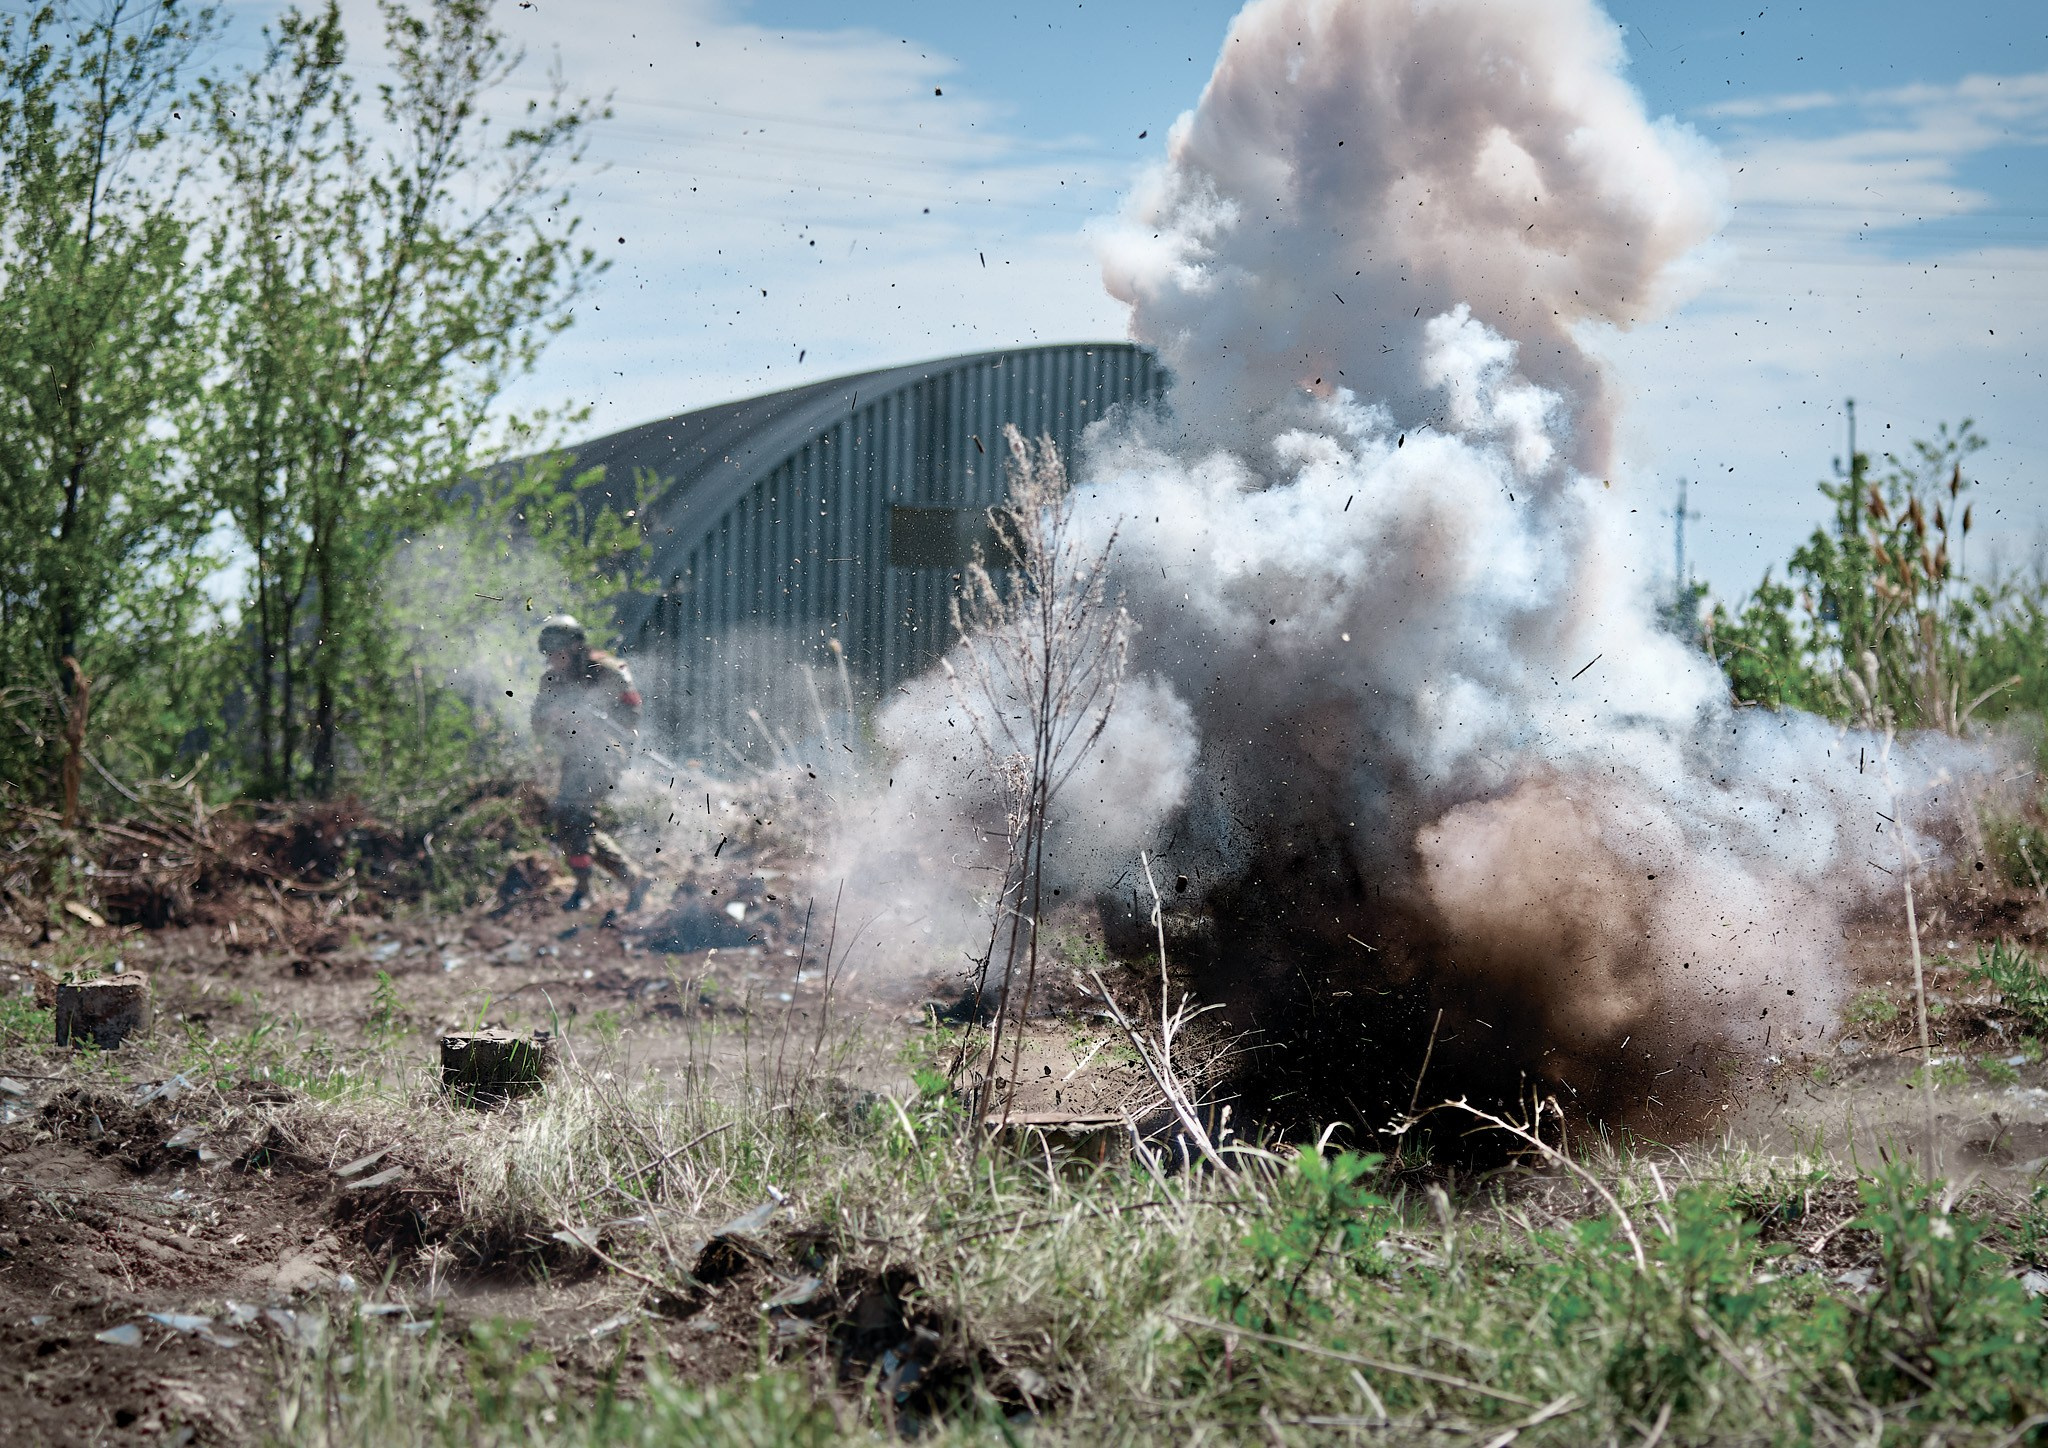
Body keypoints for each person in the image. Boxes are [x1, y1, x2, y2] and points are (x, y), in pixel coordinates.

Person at [530, 615, 650, 912]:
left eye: (557, 651)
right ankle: (632, 879)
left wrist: (598, 725)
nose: (552, 659)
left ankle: (585, 890)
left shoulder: (607, 671)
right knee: (571, 822)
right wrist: (554, 716)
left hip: (607, 752)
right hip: (574, 757)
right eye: (548, 653)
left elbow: (632, 712)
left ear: (574, 647)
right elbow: (537, 723)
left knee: (574, 814)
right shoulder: (551, 681)